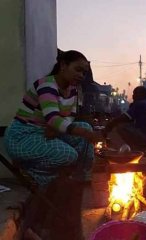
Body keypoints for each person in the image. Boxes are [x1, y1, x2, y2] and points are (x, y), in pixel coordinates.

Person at [4, 50, 104, 186]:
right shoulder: (46, 85)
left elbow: (70, 116)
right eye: (78, 70)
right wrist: (86, 134)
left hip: (45, 132)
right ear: (63, 66)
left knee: (85, 127)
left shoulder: (73, 90)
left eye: (84, 73)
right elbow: (53, 119)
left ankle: (80, 176)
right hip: (23, 136)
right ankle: (31, 171)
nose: (81, 75)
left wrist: (57, 128)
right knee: (69, 154)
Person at [104, 86, 146, 157]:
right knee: (127, 125)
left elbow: (124, 118)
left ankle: (137, 150)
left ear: (140, 95)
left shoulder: (140, 104)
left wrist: (110, 125)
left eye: (134, 93)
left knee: (121, 127)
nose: (133, 96)